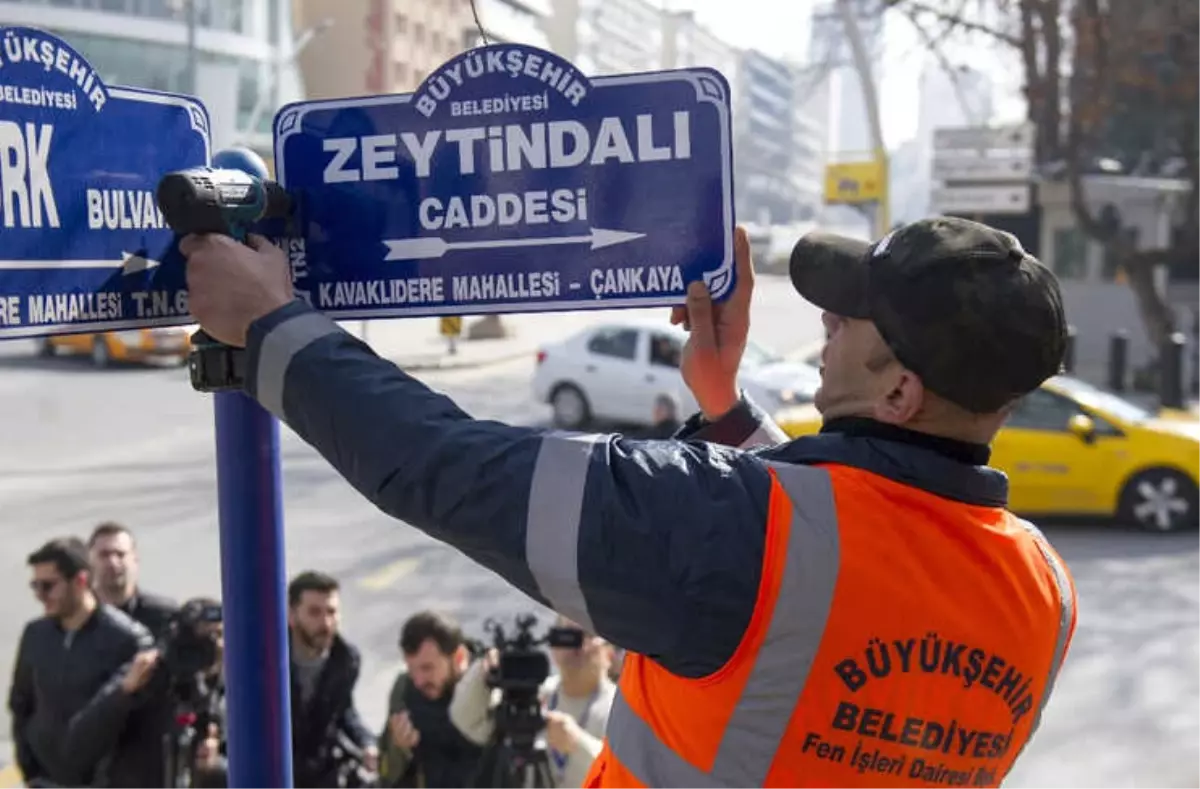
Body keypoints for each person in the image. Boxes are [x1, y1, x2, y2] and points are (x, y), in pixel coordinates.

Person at [179, 216, 1078, 786]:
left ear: (898, 393)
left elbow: (443, 466)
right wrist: (725, 408)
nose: (827, 322)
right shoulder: (1042, 590)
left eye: (853, 318)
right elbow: (850, 558)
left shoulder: (733, 528)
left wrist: (270, 327)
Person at [8, 537, 157, 787]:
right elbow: (20, 704)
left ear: (81, 581)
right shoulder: (35, 634)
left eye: (48, 586)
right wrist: (30, 771)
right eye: (35, 586)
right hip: (46, 782)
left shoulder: (128, 639)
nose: (40, 596)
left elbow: (132, 722)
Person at [450, 616, 616, 788]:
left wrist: (577, 744)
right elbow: (466, 720)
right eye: (569, 635)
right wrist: (483, 673)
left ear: (609, 653)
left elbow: (627, 774)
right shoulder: (536, 693)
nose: (578, 646)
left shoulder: (621, 707)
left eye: (588, 635)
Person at [286, 571, 378, 788]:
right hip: (274, 762)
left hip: (320, 766)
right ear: (292, 615)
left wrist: (367, 744)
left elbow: (344, 711)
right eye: (314, 612)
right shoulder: (269, 658)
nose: (325, 623)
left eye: (331, 612)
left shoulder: (345, 659)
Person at [378, 611, 483, 789]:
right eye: (412, 669)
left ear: (459, 658)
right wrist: (400, 750)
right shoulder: (404, 691)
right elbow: (386, 777)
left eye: (427, 668)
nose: (418, 681)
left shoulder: (487, 689)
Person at [87, 521, 179, 641]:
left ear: (135, 559)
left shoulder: (164, 614)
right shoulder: (75, 616)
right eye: (104, 555)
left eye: (120, 554)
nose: (113, 563)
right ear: (89, 561)